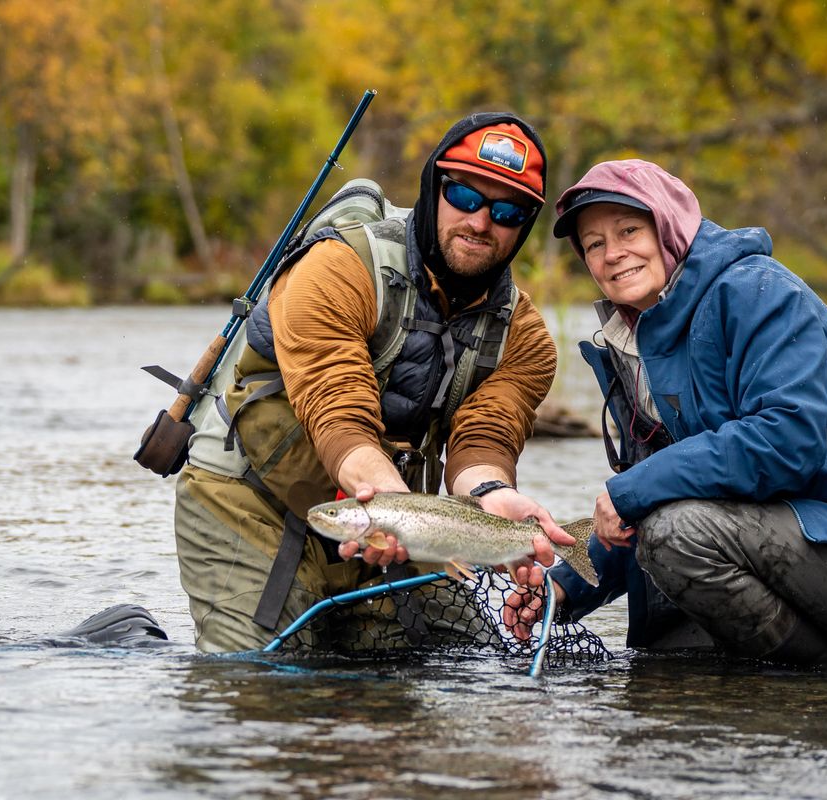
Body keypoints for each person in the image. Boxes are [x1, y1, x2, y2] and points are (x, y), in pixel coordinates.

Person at [509, 159, 827, 666]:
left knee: (675, 535)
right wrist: (564, 587)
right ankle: (763, 681)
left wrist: (633, 490)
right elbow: (642, 507)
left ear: (670, 224)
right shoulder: (639, 342)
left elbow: (787, 440)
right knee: (667, 634)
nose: (613, 254)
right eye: (594, 245)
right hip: (781, 550)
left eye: (629, 230)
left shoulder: (757, 291)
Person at [174, 112, 572, 652]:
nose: (482, 222)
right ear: (434, 187)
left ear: (524, 225)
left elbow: (485, 440)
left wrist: (492, 494)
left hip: (387, 528)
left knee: (450, 666)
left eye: (507, 211)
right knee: (262, 682)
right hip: (250, 499)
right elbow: (337, 408)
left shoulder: (524, 339)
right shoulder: (338, 267)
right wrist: (387, 504)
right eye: (466, 196)